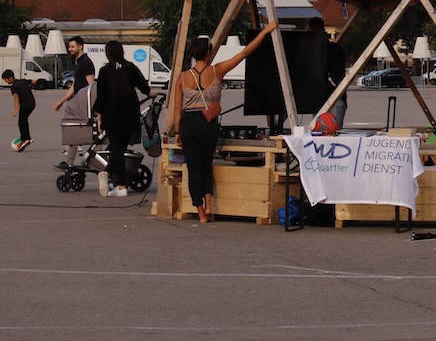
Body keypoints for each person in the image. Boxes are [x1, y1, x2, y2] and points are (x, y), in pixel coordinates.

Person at [167, 21, 278, 223]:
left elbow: (176, 108)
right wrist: (265, 32)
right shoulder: (217, 71)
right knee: (206, 164)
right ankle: (209, 204)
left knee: (193, 168)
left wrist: (177, 132)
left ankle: (201, 212)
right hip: (208, 122)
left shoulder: (182, 78)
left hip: (188, 124)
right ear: (208, 53)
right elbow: (245, 53)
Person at [91, 40, 153, 197]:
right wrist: (153, 94)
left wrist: (98, 116)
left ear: (108, 53)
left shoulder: (105, 71)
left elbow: (101, 96)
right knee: (120, 149)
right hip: (130, 114)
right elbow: (144, 87)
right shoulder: (130, 68)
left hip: (112, 115)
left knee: (116, 149)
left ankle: (121, 185)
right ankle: (111, 176)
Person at [53, 35, 96, 166]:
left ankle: (75, 161)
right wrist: (62, 100)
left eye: (72, 46)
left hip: (84, 104)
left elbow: (91, 86)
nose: (70, 49)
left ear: (80, 47)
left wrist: (91, 105)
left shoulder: (86, 63)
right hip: (77, 103)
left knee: (73, 129)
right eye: (69, 46)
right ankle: (69, 161)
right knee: (72, 130)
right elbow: (75, 85)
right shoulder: (78, 63)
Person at [307, 18, 347, 128]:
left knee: (331, 129)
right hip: (319, 97)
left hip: (334, 96)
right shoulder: (313, 51)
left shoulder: (333, 50)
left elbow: (336, 75)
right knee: (320, 130)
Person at [5, 69, 36, 151]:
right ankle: (26, 137)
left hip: (25, 105)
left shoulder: (14, 86)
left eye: (6, 79)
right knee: (24, 120)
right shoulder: (22, 81)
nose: (6, 81)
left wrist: (16, 110)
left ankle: (25, 139)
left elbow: (16, 98)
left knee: (21, 121)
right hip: (32, 103)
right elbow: (33, 81)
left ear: (10, 78)